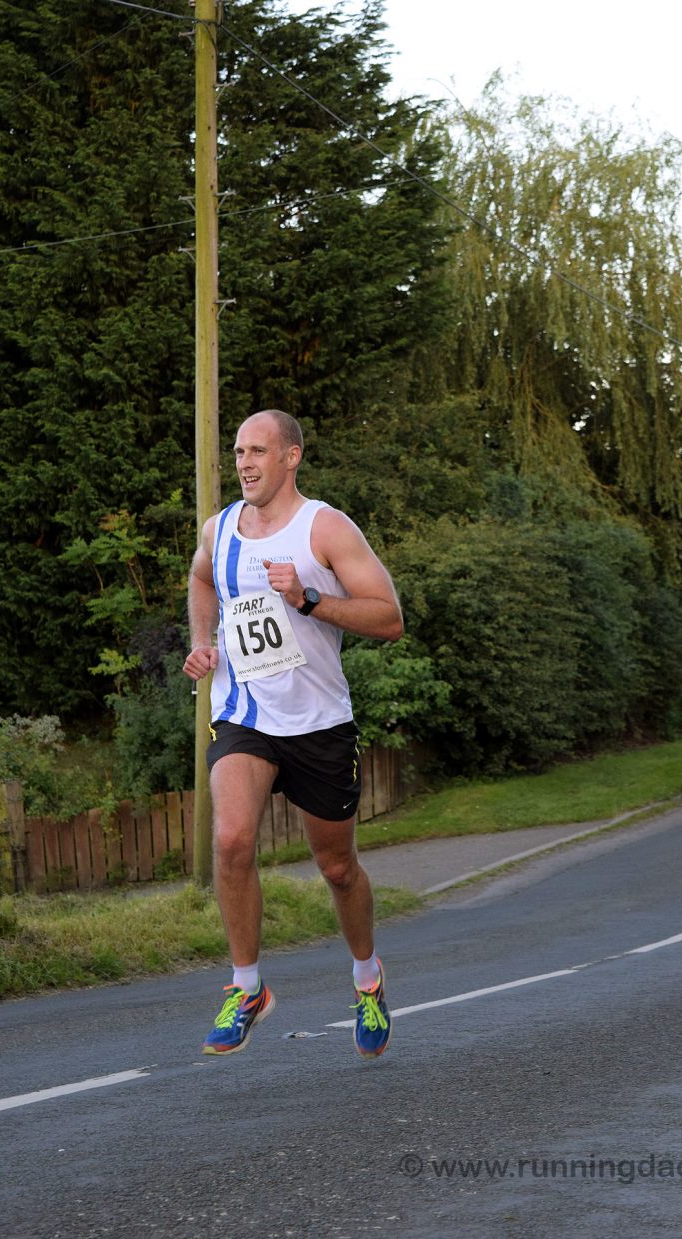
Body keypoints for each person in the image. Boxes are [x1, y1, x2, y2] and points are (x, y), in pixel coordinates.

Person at [183, 408, 404, 1059]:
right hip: (245, 714)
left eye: (258, 451)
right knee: (230, 839)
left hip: (318, 723)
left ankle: (367, 976)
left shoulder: (325, 527)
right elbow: (200, 578)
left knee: (336, 866)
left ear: (291, 457)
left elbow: (389, 617)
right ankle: (247, 986)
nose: (245, 463)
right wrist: (202, 643)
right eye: (238, 451)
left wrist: (311, 599)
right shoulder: (218, 529)